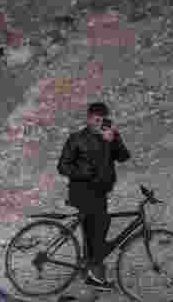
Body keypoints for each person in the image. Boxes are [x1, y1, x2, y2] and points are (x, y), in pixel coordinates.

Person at [56, 102, 131, 289]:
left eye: (103, 120)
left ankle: (92, 273)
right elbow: (62, 166)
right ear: (89, 119)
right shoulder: (77, 138)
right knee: (100, 225)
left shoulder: (108, 137)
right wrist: (85, 172)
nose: (99, 123)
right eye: (96, 120)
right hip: (81, 191)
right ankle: (94, 273)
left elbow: (123, 157)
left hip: (100, 192)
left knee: (95, 234)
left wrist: (114, 139)